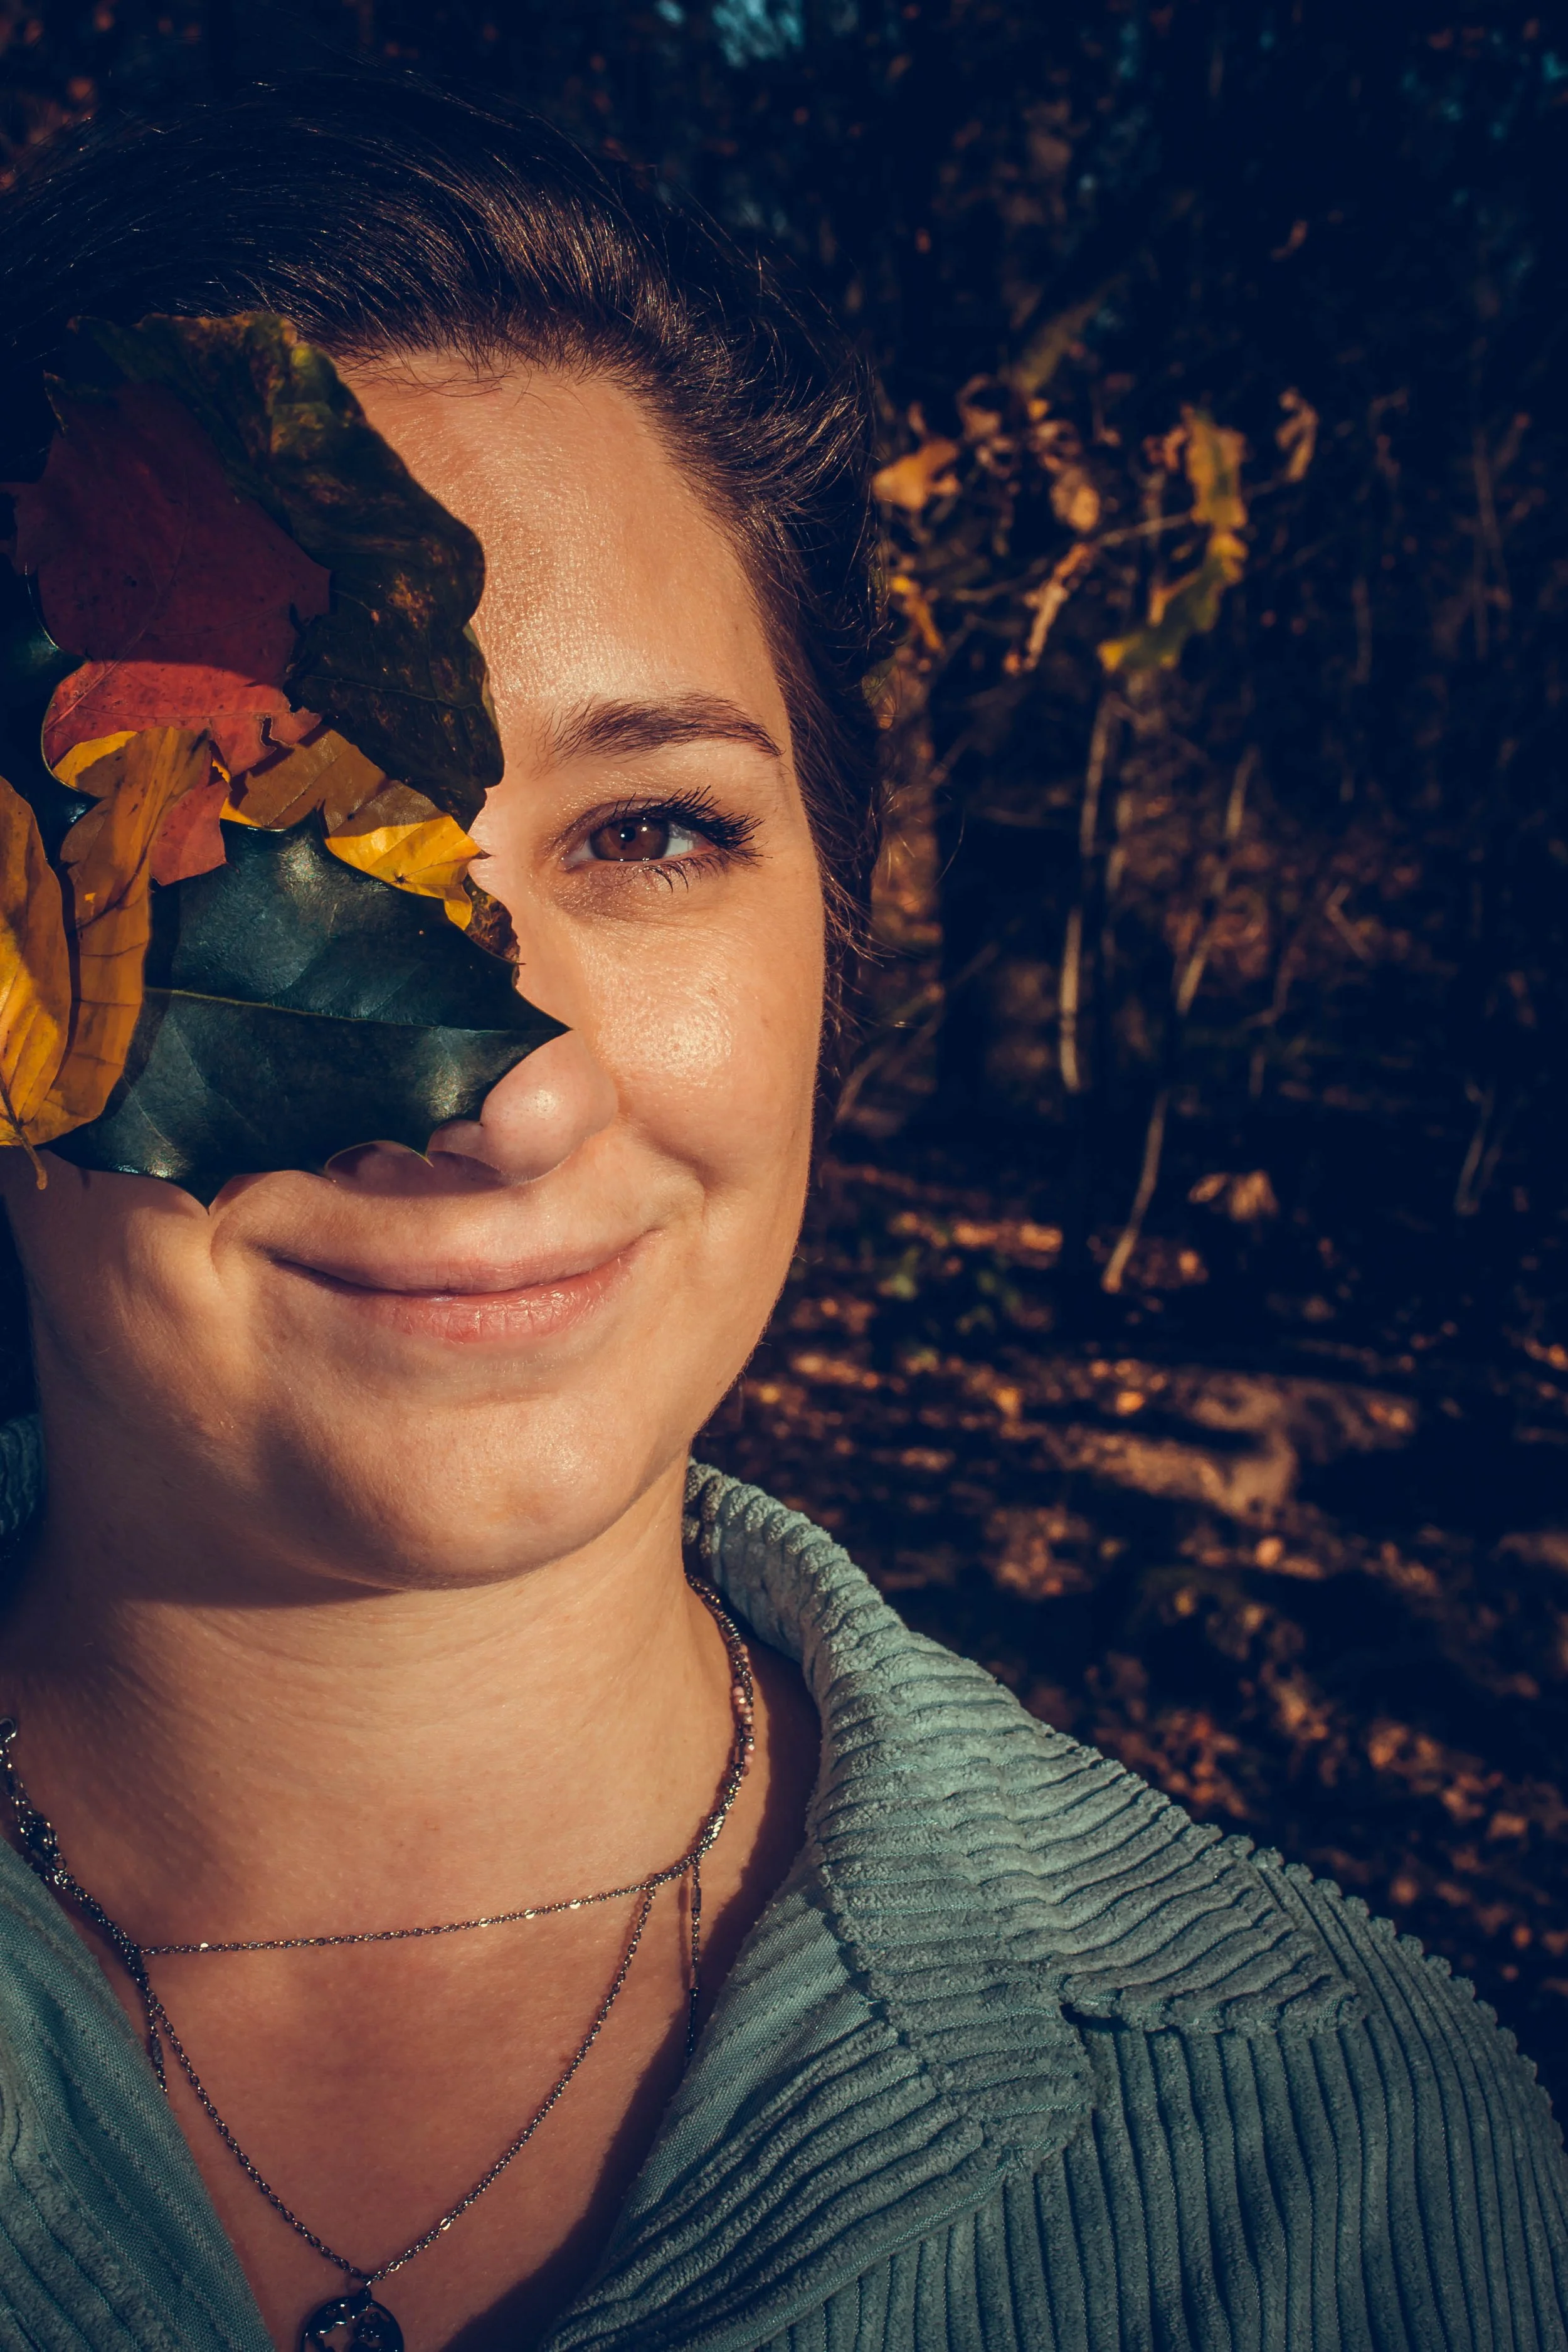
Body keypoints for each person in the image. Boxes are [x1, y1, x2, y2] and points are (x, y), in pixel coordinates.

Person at [0, 69, 1563, 2352]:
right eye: (270, 825)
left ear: (839, 923)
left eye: (650, 833)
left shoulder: (1331, 2175)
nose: (504, 1087)